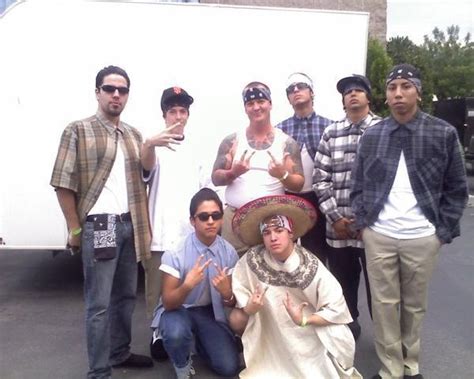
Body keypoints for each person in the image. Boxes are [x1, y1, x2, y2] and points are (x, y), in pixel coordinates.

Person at [350, 64, 468, 379]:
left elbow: (457, 189)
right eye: (392, 88)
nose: (399, 93)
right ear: (385, 96)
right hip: (380, 234)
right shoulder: (372, 135)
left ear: (417, 90)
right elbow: (358, 185)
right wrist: (364, 224)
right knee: (385, 307)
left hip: (422, 236)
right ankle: (390, 369)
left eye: (405, 86)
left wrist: (440, 231)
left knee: (414, 308)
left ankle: (409, 365)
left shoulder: (442, 133)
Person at [50, 65, 153, 378]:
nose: (116, 95)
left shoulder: (134, 135)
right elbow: (63, 183)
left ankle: (119, 352)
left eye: (122, 90)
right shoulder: (77, 130)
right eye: (109, 89)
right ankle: (99, 371)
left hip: (128, 224)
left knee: (125, 296)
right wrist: (75, 229)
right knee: (99, 304)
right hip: (102, 226)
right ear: (98, 92)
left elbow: (144, 179)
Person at [229, 195, 361, 379]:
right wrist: (249, 307)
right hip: (270, 332)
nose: (273, 237)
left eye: (279, 230)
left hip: (307, 329)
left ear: (290, 233)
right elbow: (240, 290)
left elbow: (336, 308)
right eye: (267, 233)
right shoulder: (253, 260)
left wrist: (305, 320)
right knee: (236, 318)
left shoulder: (310, 264)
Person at [313, 74, 381, 340]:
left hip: (373, 230)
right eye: (347, 92)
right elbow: (320, 177)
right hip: (338, 229)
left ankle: (387, 340)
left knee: (379, 288)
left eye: (358, 90)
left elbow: (387, 181)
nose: (352, 94)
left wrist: (367, 220)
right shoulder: (331, 132)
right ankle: (348, 331)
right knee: (343, 284)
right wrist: (334, 218)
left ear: (368, 97)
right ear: (343, 100)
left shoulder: (382, 130)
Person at [151, 188, 240, 379]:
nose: (210, 221)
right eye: (203, 216)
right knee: (175, 334)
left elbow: (231, 302)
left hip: (209, 312)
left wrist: (227, 294)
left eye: (216, 216)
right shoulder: (176, 252)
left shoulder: (229, 252)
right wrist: (187, 286)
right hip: (178, 310)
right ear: (192, 221)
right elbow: (168, 302)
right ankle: (181, 364)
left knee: (229, 368)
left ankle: (201, 341)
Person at [141, 86, 211, 320]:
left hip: (190, 237)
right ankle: (156, 335)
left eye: (183, 111)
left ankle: (186, 337)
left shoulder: (198, 149)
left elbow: (206, 191)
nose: (178, 116)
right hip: (159, 238)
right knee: (156, 293)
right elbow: (146, 168)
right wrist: (150, 145)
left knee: (189, 292)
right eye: (172, 111)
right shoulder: (152, 147)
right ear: (164, 115)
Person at [212, 81, 304, 255]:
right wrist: (233, 172)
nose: (256, 107)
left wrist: (282, 175)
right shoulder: (232, 141)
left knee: (272, 273)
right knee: (233, 271)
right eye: (250, 103)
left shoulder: (286, 142)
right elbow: (216, 177)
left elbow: (298, 183)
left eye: (261, 101)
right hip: (234, 220)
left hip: (272, 222)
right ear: (245, 108)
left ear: (270, 104)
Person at [276, 72, 333, 262]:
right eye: (291, 90)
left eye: (300, 86)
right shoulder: (279, 130)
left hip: (319, 198)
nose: (296, 91)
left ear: (311, 92)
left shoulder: (330, 126)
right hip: (289, 198)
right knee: (285, 252)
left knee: (317, 254)